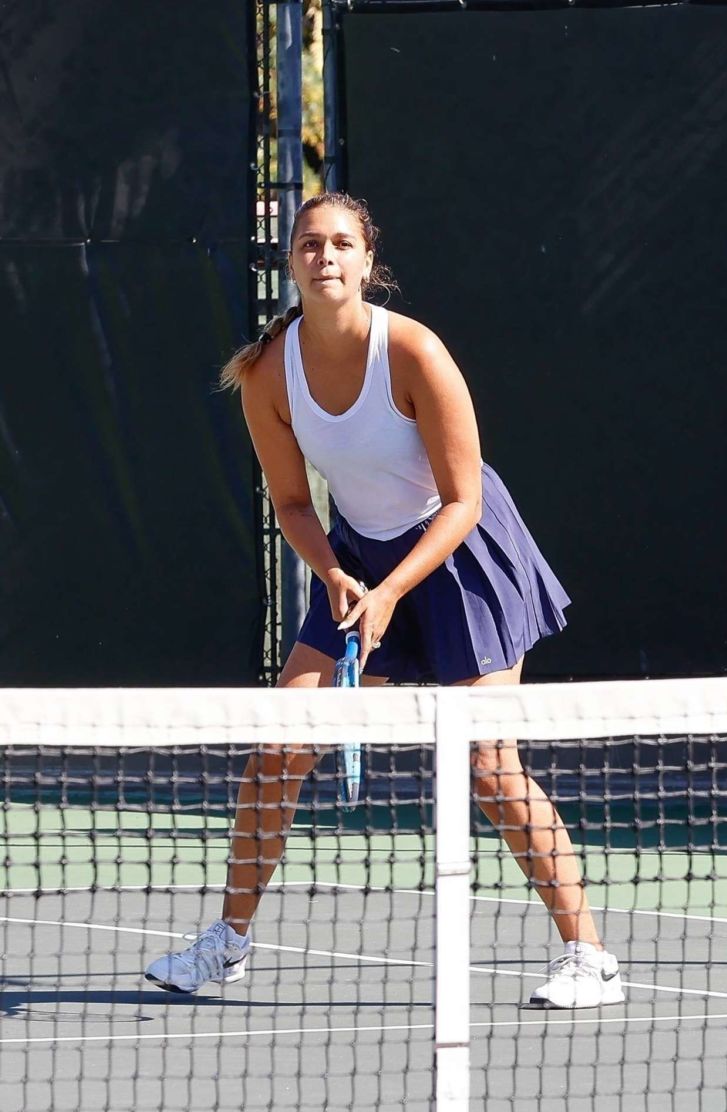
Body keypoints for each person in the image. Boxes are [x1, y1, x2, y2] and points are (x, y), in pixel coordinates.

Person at [145, 192, 624, 1009]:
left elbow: (463, 498)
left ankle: (589, 957)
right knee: (279, 750)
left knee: (489, 766)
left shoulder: (414, 353)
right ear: (291, 261)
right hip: (357, 558)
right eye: (308, 245)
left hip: (463, 555)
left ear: (368, 262)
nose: (323, 257)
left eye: (339, 244)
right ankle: (226, 945)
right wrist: (337, 574)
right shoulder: (267, 373)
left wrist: (395, 590)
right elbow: (294, 505)